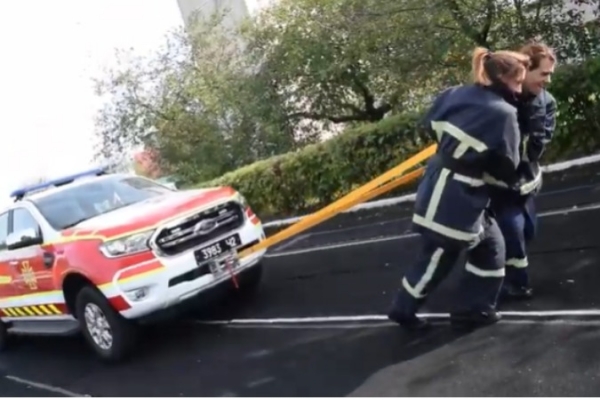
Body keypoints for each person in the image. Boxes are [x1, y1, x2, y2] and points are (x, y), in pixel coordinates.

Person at [387, 46, 531, 331]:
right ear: (502, 78)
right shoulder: (503, 113)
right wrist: (513, 183)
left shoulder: (454, 94)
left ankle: (473, 308)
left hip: (439, 183)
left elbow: (429, 125)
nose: (518, 89)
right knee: (438, 258)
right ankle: (404, 309)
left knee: (489, 247)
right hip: (458, 198)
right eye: (517, 82)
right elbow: (508, 165)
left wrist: (457, 152)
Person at [487, 42, 557, 301]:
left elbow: (539, 144)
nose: (548, 80)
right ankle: (514, 284)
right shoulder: (497, 101)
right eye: (544, 74)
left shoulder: (546, 102)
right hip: (500, 186)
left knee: (528, 232)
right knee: (512, 233)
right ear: (525, 71)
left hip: (525, 183)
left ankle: (505, 271)